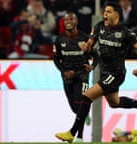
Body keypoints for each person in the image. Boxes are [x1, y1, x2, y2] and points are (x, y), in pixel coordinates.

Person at [54, 2, 137, 142]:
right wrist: (86, 47)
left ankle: (72, 133)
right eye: (104, 11)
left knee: (87, 96)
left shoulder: (125, 32)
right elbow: (90, 45)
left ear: (117, 14)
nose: (105, 14)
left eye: (109, 11)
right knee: (114, 103)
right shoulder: (99, 26)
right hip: (105, 73)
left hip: (117, 73)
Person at [53, 12, 99, 142]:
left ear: (76, 21)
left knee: (81, 104)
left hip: (82, 74)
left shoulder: (85, 38)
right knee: (75, 109)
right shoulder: (59, 40)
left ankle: (79, 137)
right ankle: (85, 114)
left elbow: (96, 56)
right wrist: (64, 71)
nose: (68, 21)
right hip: (68, 77)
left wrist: (92, 67)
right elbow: (56, 60)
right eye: (66, 19)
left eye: (71, 19)